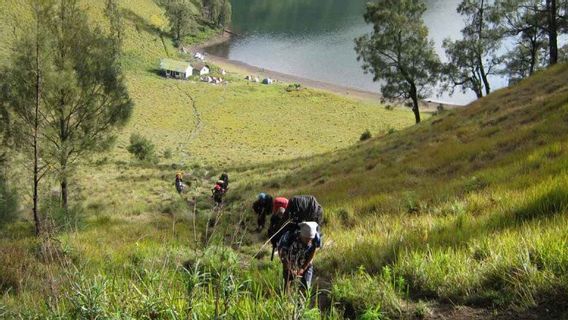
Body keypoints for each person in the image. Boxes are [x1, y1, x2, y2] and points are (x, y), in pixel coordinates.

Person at [277, 221, 321, 292]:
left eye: (310, 239)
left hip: (305, 257)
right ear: (301, 235)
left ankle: (303, 299)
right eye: (306, 239)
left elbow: (313, 252)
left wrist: (303, 268)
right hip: (290, 256)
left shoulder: (316, 237)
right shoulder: (289, 236)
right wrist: (289, 268)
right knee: (288, 278)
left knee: (306, 284)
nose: (308, 241)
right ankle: (286, 297)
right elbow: (282, 253)